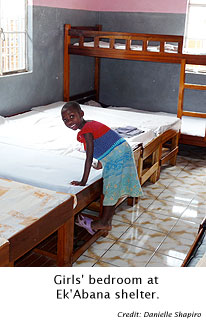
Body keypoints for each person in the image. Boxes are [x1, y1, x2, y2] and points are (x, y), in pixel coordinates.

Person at [61, 101, 142, 235]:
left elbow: (89, 157)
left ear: (81, 114)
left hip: (117, 154)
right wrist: (100, 164)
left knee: (110, 186)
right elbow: (103, 142)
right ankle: (107, 221)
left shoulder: (86, 131)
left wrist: (83, 181)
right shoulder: (90, 124)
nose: (69, 122)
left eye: (72, 116)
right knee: (113, 185)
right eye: (65, 120)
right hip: (122, 149)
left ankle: (103, 222)